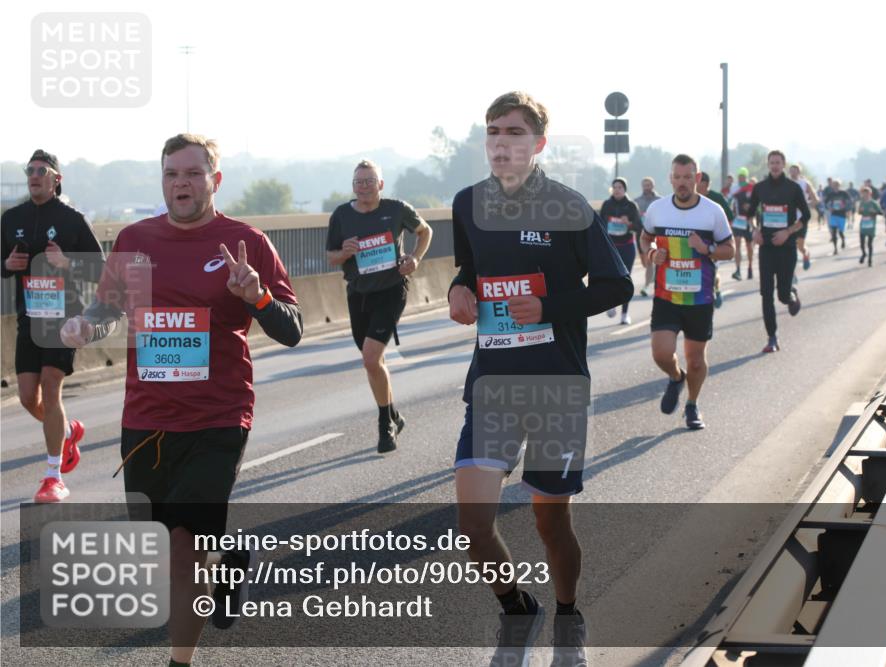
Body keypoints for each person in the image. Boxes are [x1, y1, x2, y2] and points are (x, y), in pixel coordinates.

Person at [60, 134, 303, 667]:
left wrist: (256, 295)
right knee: (161, 550)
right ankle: (232, 555)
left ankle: (179, 662)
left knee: (185, 547)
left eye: (192, 174)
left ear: (215, 180)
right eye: (171, 174)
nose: (181, 184)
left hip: (218, 415)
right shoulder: (134, 239)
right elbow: (108, 307)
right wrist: (85, 324)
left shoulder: (247, 242)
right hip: (146, 418)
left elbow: (292, 330)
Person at [447, 91, 632, 666]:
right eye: (494, 132)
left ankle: (569, 610)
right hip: (493, 384)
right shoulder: (466, 203)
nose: (502, 143)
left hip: (556, 387)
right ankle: (515, 605)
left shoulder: (570, 207)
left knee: (551, 521)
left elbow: (617, 285)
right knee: (473, 524)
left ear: (538, 144)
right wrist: (459, 287)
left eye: (514, 133)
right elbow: (471, 268)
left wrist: (549, 305)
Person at [1, 149, 104, 503]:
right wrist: (8, 265)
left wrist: (67, 261)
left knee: (51, 386)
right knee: (29, 397)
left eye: (41, 170)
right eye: (29, 169)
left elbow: (101, 270)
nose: (33, 175)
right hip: (30, 319)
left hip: (65, 320)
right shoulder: (11, 217)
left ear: (56, 179)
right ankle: (67, 431)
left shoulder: (72, 219)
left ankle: (52, 476)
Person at [326, 160, 433, 453]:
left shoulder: (396, 209)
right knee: (374, 360)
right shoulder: (342, 215)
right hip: (359, 294)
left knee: (371, 358)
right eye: (358, 182)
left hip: (391, 291)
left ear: (381, 185)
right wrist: (343, 252)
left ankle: (385, 424)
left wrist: (414, 259)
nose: (363, 187)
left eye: (369, 181)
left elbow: (425, 232)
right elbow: (330, 256)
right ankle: (394, 414)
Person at [641, 155, 734, 429]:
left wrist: (707, 249)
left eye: (687, 177)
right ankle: (675, 377)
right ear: (671, 178)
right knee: (661, 353)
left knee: (696, 362)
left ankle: (692, 405)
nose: (682, 183)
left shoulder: (712, 211)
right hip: (666, 296)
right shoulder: (658, 210)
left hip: (699, 299)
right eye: (677, 177)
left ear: (697, 177)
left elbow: (730, 250)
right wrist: (651, 253)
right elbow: (645, 238)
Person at [747, 150, 809, 353]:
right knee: (766, 294)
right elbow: (749, 215)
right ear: (768, 165)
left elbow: (806, 216)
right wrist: (755, 230)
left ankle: (791, 294)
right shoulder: (760, 188)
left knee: (781, 295)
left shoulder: (792, 188)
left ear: (783, 164)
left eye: (778, 162)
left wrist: (788, 232)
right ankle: (772, 338)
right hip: (766, 247)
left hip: (787, 247)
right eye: (771, 162)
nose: (774, 166)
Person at [600, 177, 642, 324]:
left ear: (625, 190)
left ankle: (625, 313)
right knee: (610, 277)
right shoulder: (607, 204)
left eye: (620, 187)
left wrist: (628, 224)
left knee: (625, 279)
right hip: (610, 247)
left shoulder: (631, 206)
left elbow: (639, 227)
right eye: (615, 187)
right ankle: (610, 304)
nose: (617, 190)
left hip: (626, 247)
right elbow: (599, 225)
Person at [695, 172, 735, 308]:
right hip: (695, 242)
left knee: (712, 269)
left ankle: (715, 289)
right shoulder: (691, 199)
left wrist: (723, 236)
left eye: (698, 181)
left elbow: (730, 217)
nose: (694, 184)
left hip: (714, 242)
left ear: (705, 184)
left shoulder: (717, 198)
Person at [634, 177, 662, 296]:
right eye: (645, 185)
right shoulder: (636, 201)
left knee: (650, 260)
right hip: (642, 234)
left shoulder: (659, 200)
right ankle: (652, 276)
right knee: (645, 262)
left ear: (653, 186)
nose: (647, 187)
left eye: (649, 185)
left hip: (655, 234)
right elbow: (633, 218)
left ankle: (646, 287)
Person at [788, 164, 817, 270]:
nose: (793, 173)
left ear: (799, 172)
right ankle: (791, 272)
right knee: (790, 246)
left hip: (801, 219)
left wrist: (805, 205)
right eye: (791, 171)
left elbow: (815, 199)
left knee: (800, 246)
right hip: (788, 219)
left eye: (795, 171)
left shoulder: (804, 183)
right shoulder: (785, 183)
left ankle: (806, 254)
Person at [728, 167, 755, 281]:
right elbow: (728, 201)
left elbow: (757, 202)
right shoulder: (734, 188)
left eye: (743, 176)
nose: (741, 178)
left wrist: (751, 208)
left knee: (749, 246)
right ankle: (738, 270)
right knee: (737, 244)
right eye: (739, 176)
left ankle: (750, 267)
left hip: (748, 220)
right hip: (738, 220)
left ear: (746, 177)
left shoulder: (751, 187)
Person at [857, 186, 883, 267]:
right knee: (861, 243)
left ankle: (870, 260)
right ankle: (864, 254)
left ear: (870, 194)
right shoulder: (861, 202)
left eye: (866, 193)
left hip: (871, 226)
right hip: (863, 225)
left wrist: (874, 212)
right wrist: (860, 211)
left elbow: (881, 212)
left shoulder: (874, 203)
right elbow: (859, 212)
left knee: (869, 244)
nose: (865, 195)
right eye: (863, 193)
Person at [823, 179, 851, 254]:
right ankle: (835, 249)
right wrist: (829, 208)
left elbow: (849, 201)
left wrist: (846, 208)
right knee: (834, 232)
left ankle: (843, 240)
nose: (835, 186)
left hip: (842, 214)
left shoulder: (844, 193)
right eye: (834, 185)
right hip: (834, 214)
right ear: (832, 186)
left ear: (839, 185)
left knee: (841, 231)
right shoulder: (831, 194)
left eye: (837, 185)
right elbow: (825, 203)